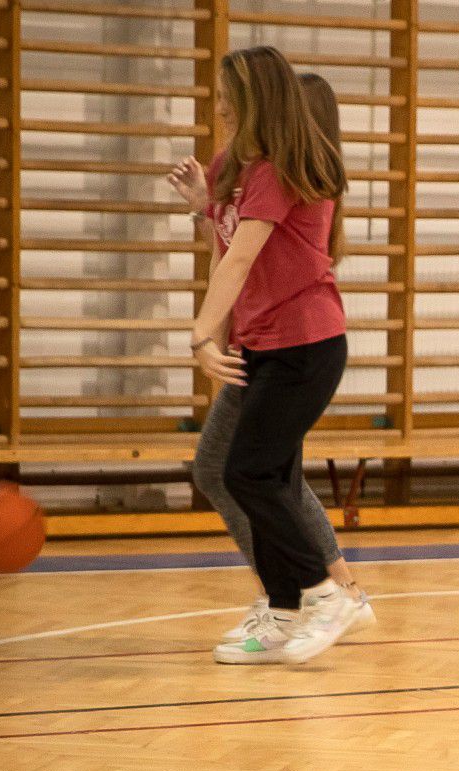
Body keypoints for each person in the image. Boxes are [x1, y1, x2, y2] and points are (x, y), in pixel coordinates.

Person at [170, 71, 374, 654]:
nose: (222, 113)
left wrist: (200, 335)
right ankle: (286, 604)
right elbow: (228, 254)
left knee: (253, 473)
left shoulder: (283, 172)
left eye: (233, 104)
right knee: (239, 471)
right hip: (258, 344)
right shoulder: (238, 166)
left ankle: (330, 591)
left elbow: (241, 263)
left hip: (301, 343)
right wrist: (206, 209)